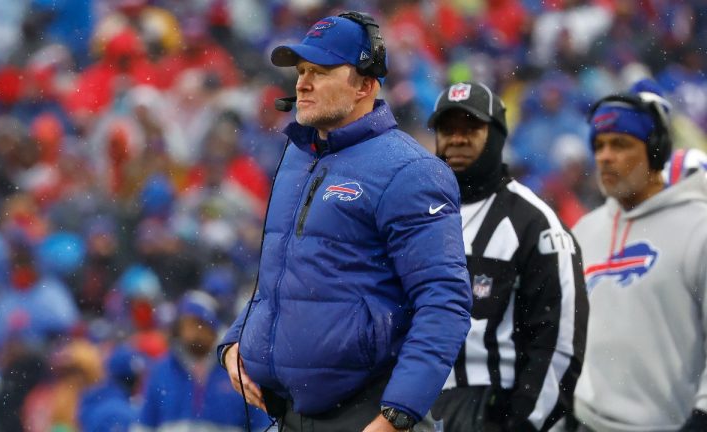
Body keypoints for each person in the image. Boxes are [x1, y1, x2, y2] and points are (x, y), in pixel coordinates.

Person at [218, 11, 472, 432]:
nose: (302, 82)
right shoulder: (298, 156)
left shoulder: (410, 171)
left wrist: (397, 415)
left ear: (366, 85)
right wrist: (237, 340)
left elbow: (445, 301)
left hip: (364, 414)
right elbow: (280, 276)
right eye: (301, 71)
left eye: (320, 71)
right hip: (290, 414)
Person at [423, 82, 588, 431]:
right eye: (447, 129)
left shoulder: (534, 222)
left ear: (496, 135)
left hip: (492, 406)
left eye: (471, 128)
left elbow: (559, 341)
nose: (457, 139)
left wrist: (524, 422)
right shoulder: (414, 214)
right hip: (416, 404)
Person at [572, 81, 707, 431]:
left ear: (656, 151)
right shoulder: (584, 232)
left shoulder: (699, 228)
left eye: (620, 144)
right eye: (599, 145)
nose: (605, 155)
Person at [134, 291, 269, 431]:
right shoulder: (162, 371)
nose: (190, 332)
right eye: (184, 324)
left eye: (196, 323)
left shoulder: (237, 367)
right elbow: (144, 425)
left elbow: (263, 424)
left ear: (212, 325)